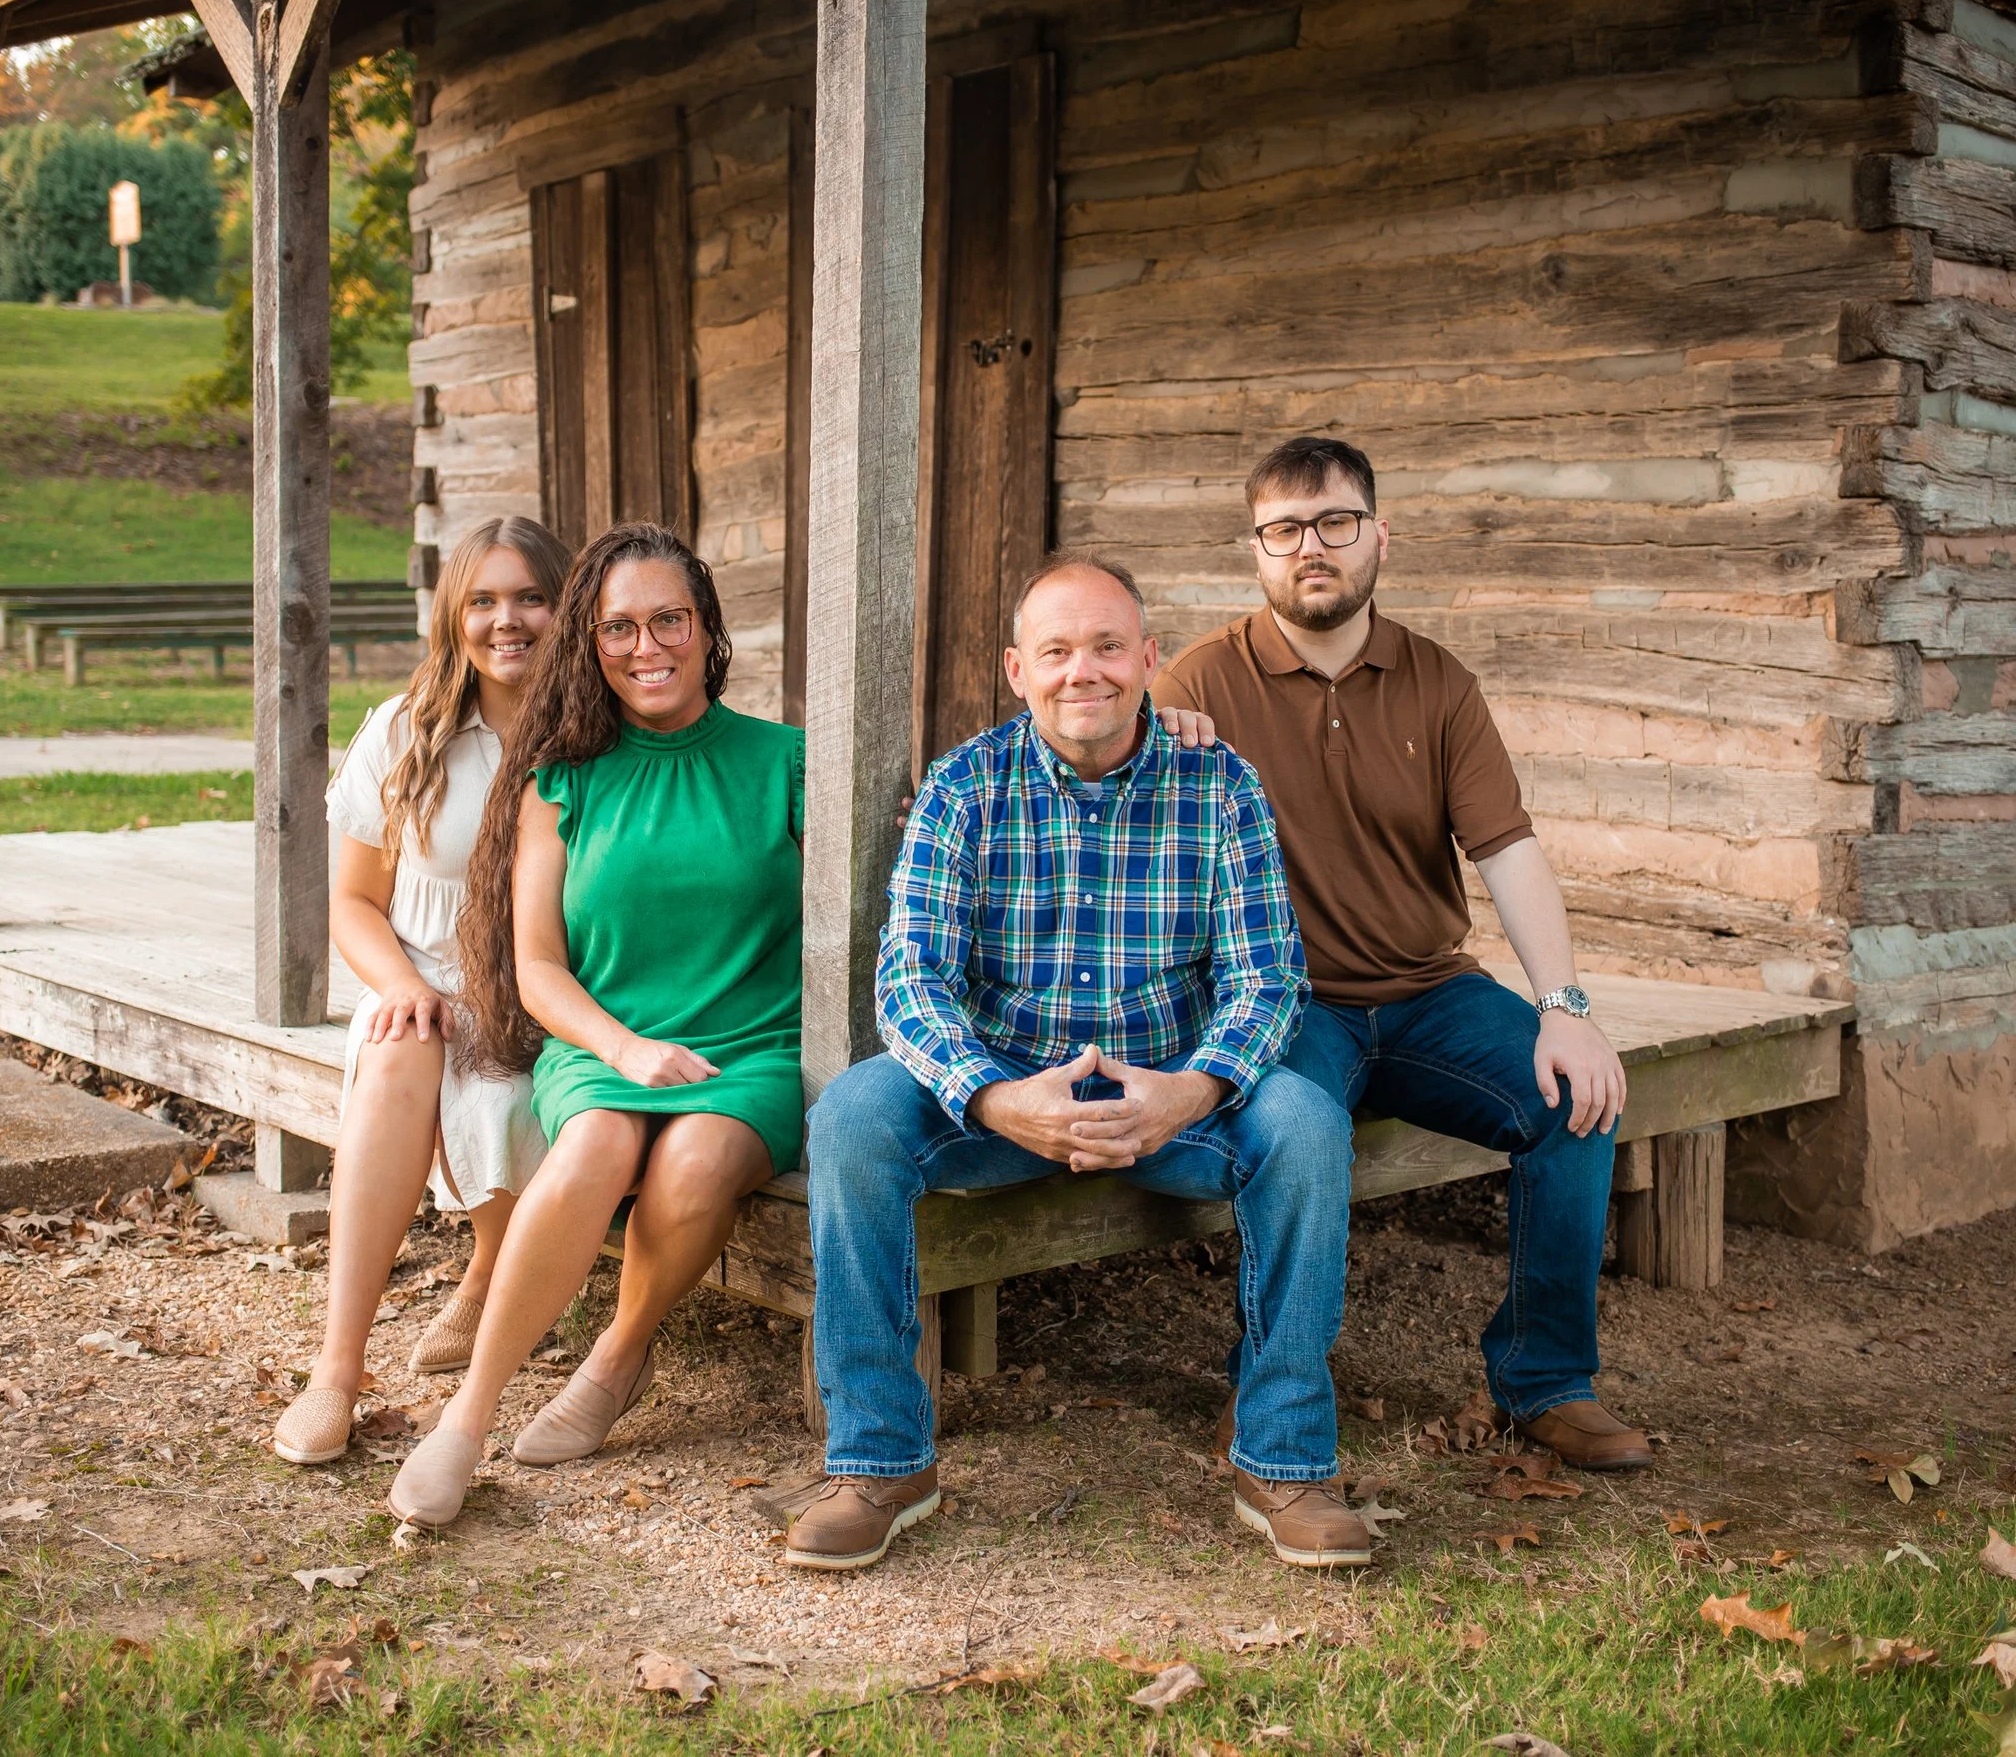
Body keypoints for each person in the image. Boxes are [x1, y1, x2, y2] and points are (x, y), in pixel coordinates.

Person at [791, 553, 1372, 1574]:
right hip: (1006, 1086)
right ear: (1017, 669)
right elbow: (911, 979)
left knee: (1307, 1123)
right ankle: (881, 1459)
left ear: (1150, 658)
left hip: (1172, 1090)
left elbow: (1267, 980)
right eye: (1055, 651)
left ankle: (1284, 1458)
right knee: (852, 1116)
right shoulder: (963, 785)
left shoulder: (1220, 784)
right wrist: (995, 1096)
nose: (1082, 673)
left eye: (1107, 646)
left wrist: (1190, 1091)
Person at [1151, 435, 1649, 1472]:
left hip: (1429, 993)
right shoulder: (1200, 683)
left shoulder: (1437, 681)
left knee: (1575, 1100)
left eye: (1333, 522)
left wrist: (1564, 1004)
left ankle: (1543, 1380)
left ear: (1379, 534)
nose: (1310, 548)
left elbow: (1506, 850)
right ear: (1257, 551)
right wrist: (1162, 752)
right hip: (1285, 1005)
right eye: (1283, 530)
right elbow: (1098, 795)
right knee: (1298, 1129)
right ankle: (1272, 1391)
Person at [386, 522, 805, 1527]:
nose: (645, 646)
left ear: (707, 629)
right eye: (619, 626)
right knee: (592, 1151)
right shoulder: (560, 781)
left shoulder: (789, 761)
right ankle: (466, 1420)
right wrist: (624, 1049)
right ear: (590, 641)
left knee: (697, 1162)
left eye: (669, 620)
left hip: (752, 1049)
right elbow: (536, 968)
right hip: (602, 1041)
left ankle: (619, 1355)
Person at [271, 516, 567, 1466]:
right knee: (400, 1048)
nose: (506, 620)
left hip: (539, 987)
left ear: (567, 607)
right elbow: (353, 902)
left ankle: (486, 1270)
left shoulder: (595, 738)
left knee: (502, 1089)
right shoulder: (407, 731)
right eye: (483, 600)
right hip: (425, 974)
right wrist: (400, 983)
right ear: (454, 615)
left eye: (529, 597)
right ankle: (336, 1369)